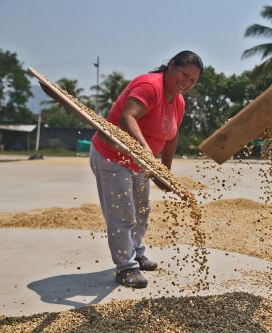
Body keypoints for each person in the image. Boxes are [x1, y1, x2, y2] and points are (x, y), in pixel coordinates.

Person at [89, 50, 203, 288]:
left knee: (142, 210)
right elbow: (127, 118)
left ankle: (136, 252)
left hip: (140, 161)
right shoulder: (150, 86)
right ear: (171, 65)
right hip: (112, 156)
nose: (187, 82)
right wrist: (147, 155)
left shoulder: (179, 101)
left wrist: (165, 171)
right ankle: (125, 267)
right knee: (123, 213)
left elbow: (172, 136)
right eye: (184, 74)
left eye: (193, 80)